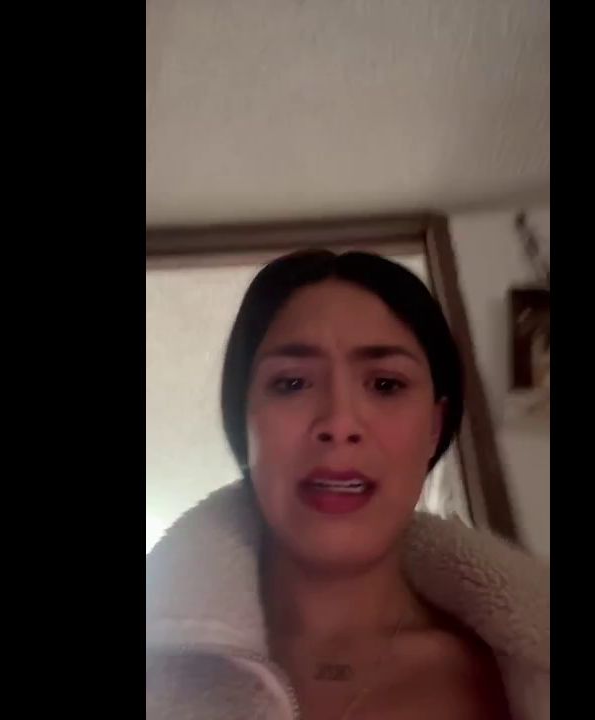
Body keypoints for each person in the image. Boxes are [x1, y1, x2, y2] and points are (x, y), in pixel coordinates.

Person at [146, 250, 550, 720]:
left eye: (385, 385)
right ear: (244, 419)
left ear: (434, 427)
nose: (339, 424)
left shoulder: (514, 673)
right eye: (292, 383)